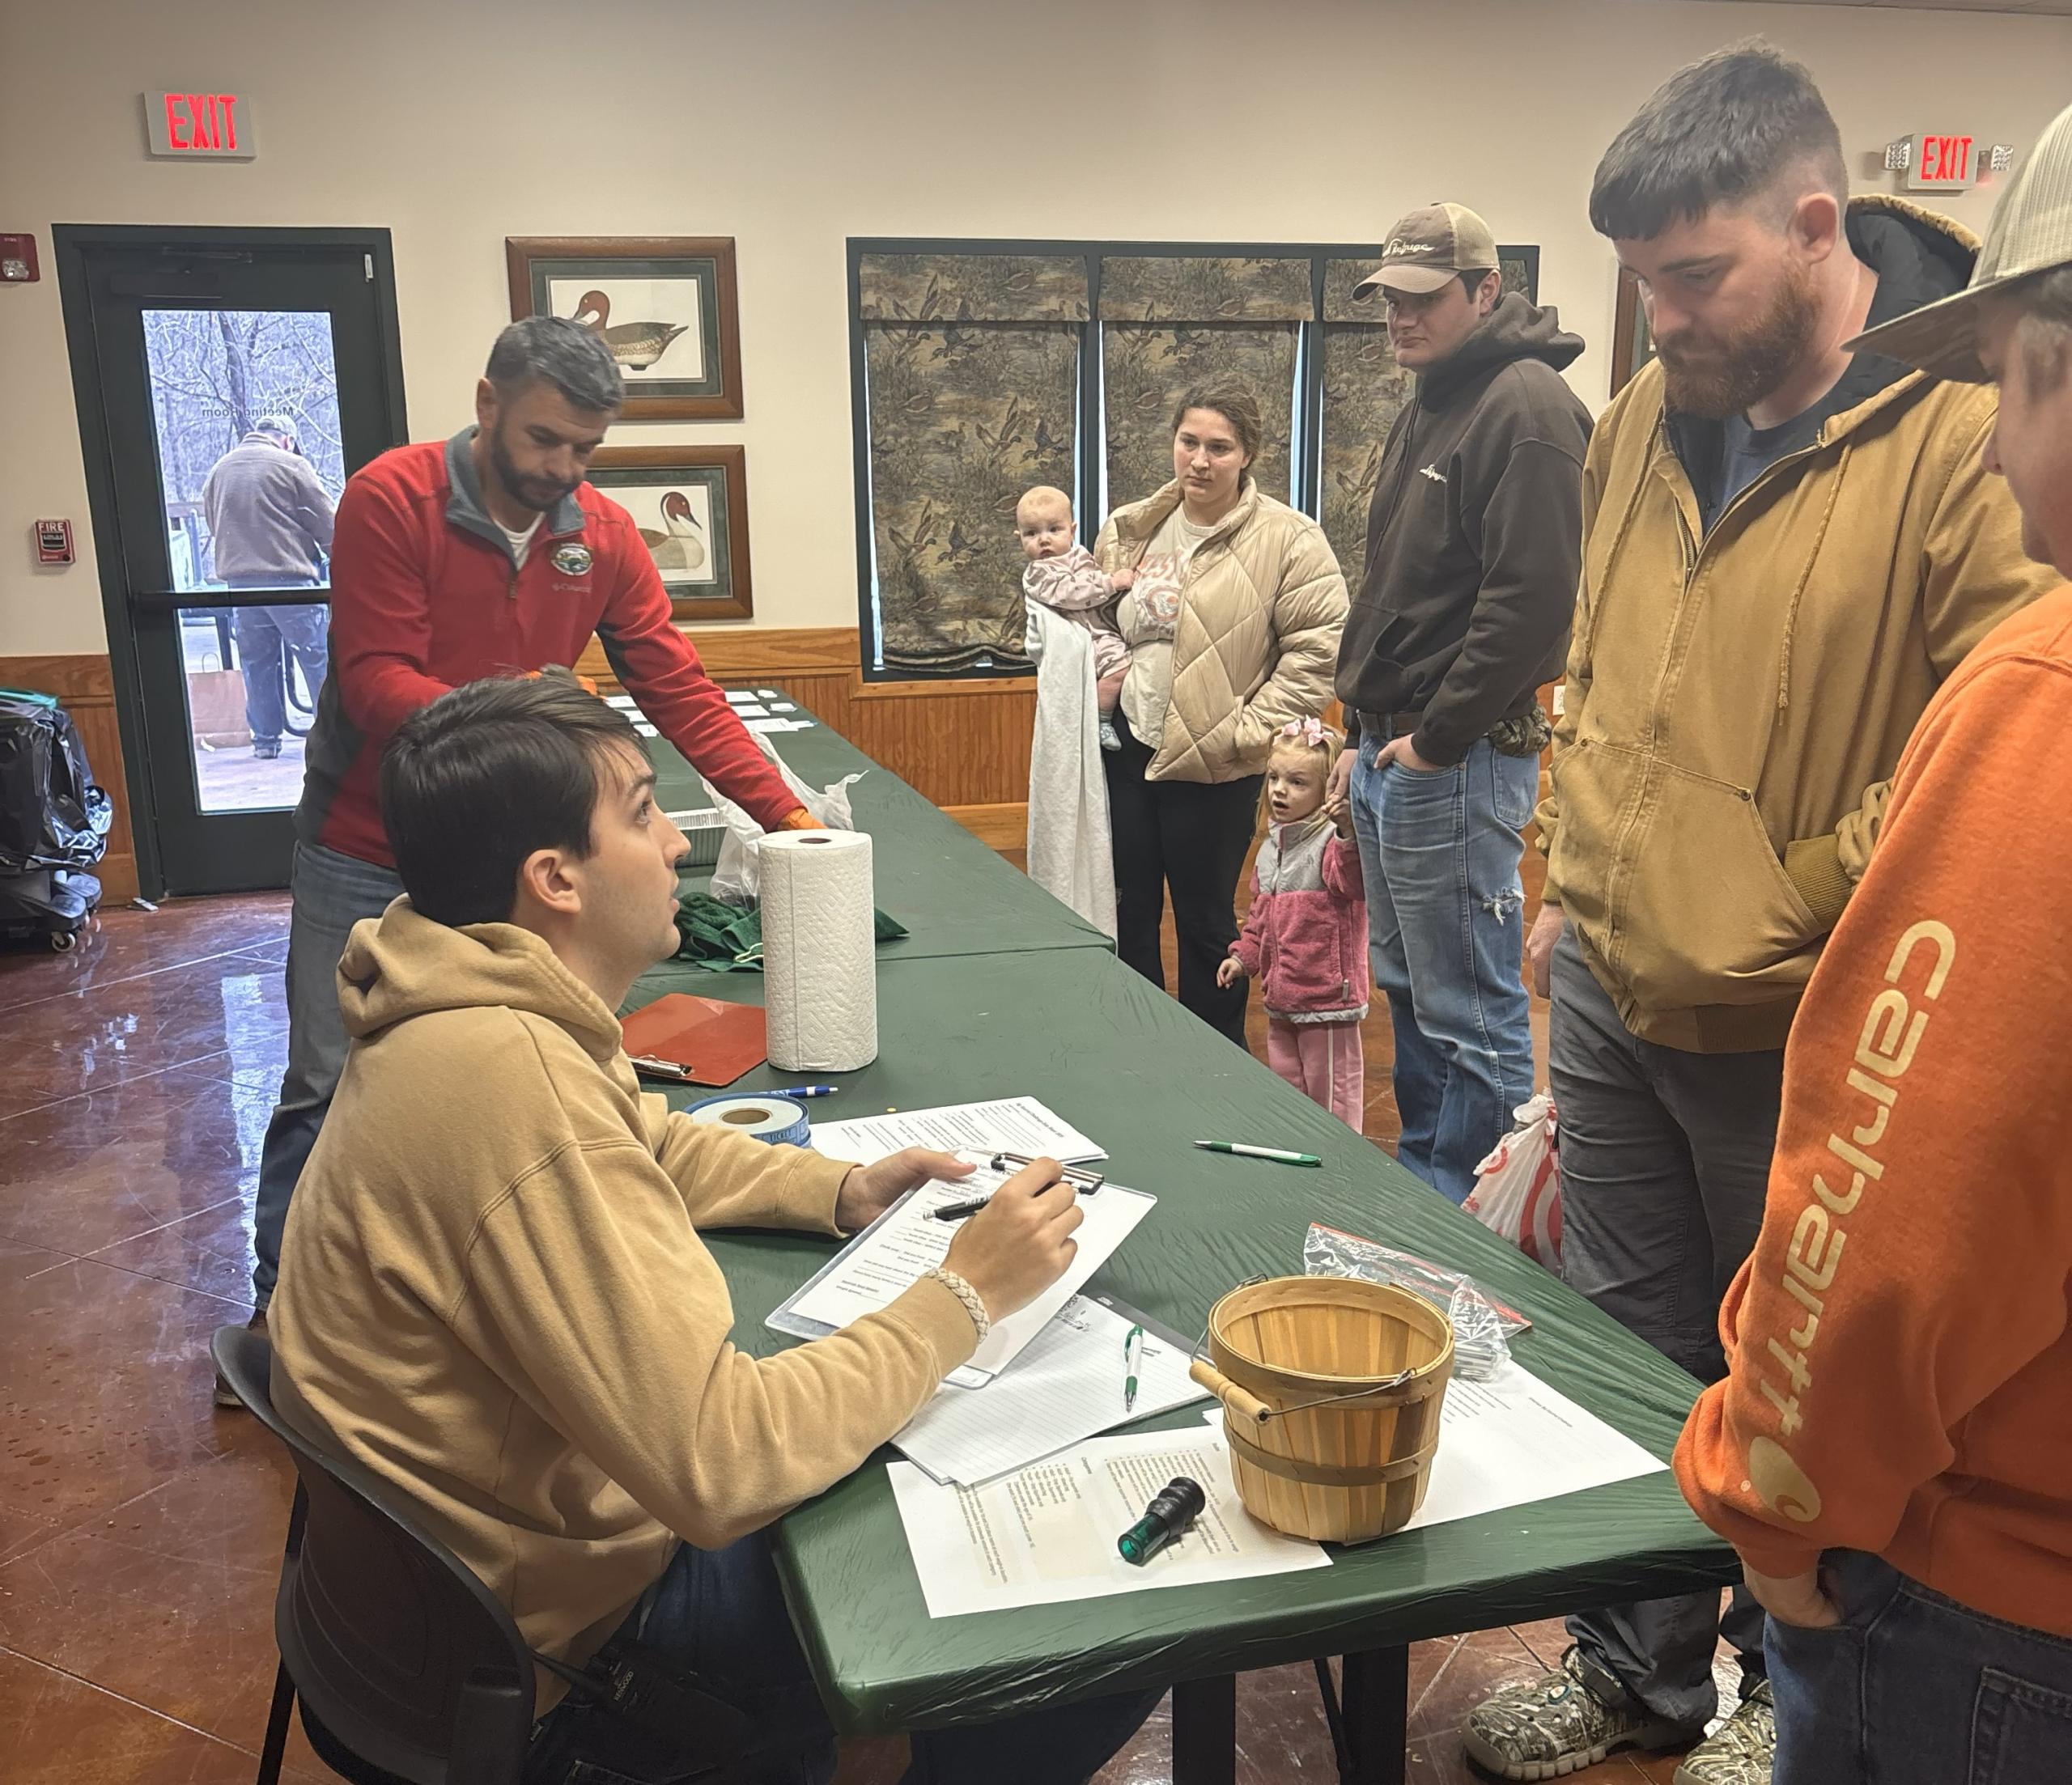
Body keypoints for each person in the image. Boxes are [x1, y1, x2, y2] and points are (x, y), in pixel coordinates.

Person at [1466, 45, 2058, 1785]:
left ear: (1816, 229)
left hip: (1802, 1011)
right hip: (1611, 982)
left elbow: (1984, 750)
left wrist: (1770, 908)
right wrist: (1572, 867)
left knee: (1783, 1364)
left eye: (1692, 274)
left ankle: (1765, 1684)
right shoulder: (1649, 413)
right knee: (1631, 1352)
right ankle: (1635, 1670)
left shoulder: (1960, 430)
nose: (1656, 320)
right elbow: (1600, 670)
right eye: (1637, 280)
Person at [265, 672, 1159, 1785]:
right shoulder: (510, 1080)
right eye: (643, 811)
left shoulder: (467, 988)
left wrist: (837, 1191)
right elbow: (722, 1461)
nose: (679, 846)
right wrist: (963, 1294)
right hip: (559, 1650)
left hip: (433, 1609)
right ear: (555, 879)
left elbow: (642, 1140)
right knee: (1091, 1624)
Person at [1674, 100, 2072, 1785]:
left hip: (1995, 1621)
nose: (1989, 451)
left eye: (2010, 387)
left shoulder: (2039, 698)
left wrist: (1766, 1503)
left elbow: (1902, 1203)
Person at [223, 318, 820, 1401]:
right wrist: (538, 741)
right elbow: (375, 680)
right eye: (545, 438)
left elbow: (676, 681)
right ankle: (280, 1322)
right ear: (488, 401)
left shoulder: (599, 532)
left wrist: (783, 812)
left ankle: (474, 1303)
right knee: (324, 1077)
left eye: (586, 450)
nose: (562, 470)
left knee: (521, 1074)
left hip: (503, 856)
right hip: (366, 844)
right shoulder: (390, 497)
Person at [1327, 201, 1592, 1204]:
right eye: (1388, 299)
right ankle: (1433, 1201)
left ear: (1485, 291)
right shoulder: (1438, 395)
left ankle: (1486, 1230)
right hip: (1395, 753)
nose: (1399, 317)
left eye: (1422, 298)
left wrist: (1434, 743)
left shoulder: (1525, 406)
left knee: (1471, 1016)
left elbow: (1532, 608)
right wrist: (1368, 731)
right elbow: (1412, 586)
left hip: (1456, 761)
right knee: (1414, 997)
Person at [1092, 381, 1348, 1045]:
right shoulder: (1131, 527)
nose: (1199, 461)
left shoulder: (1291, 540)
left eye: (1219, 447)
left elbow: (1316, 655)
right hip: (1125, 751)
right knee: (1126, 913)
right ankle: (1139, 1050)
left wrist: (1242, 734)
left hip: (1218, 767)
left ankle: (1215, 1066)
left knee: (1208, 923)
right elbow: (1090, 623)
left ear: (1247, 455)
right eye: (1188, 442)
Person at [1218, 719, 1366, 1130]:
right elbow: (1261, 915)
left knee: (1334, 1100)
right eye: (1274, 778)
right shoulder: (1271, 847)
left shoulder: (1333, 844)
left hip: (1327, 1001)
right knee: (1290, 1095)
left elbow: (1352, 883)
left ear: (1328, 790)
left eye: (1298, 782)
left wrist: (1348, 833)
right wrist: (1245, 957)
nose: (1280, 790)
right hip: (1281, 999)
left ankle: (1343, 1167)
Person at [201, 414, 336, 761]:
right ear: (287, 439)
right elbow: (328, 524)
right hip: (291, 583)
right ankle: (333, 741)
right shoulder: (292, 465)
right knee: (316, 659)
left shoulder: (220, 470)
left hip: (241, 586)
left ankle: (265, 741)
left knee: (258, 664)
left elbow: (214, 523)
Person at [1017, 485, 1135, 753]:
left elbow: (1097, 588)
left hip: (1101, 631)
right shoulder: (1037, 572)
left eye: (1053, 529)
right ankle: (1101, 720)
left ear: (1072, 530)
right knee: (1118, 671)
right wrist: (1111, 583)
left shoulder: (1082, 556)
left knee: (1129, 669)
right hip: (1082, 639)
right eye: (1031, 533)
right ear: (1020, 539)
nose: (1043, 540)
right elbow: (1070, 593)